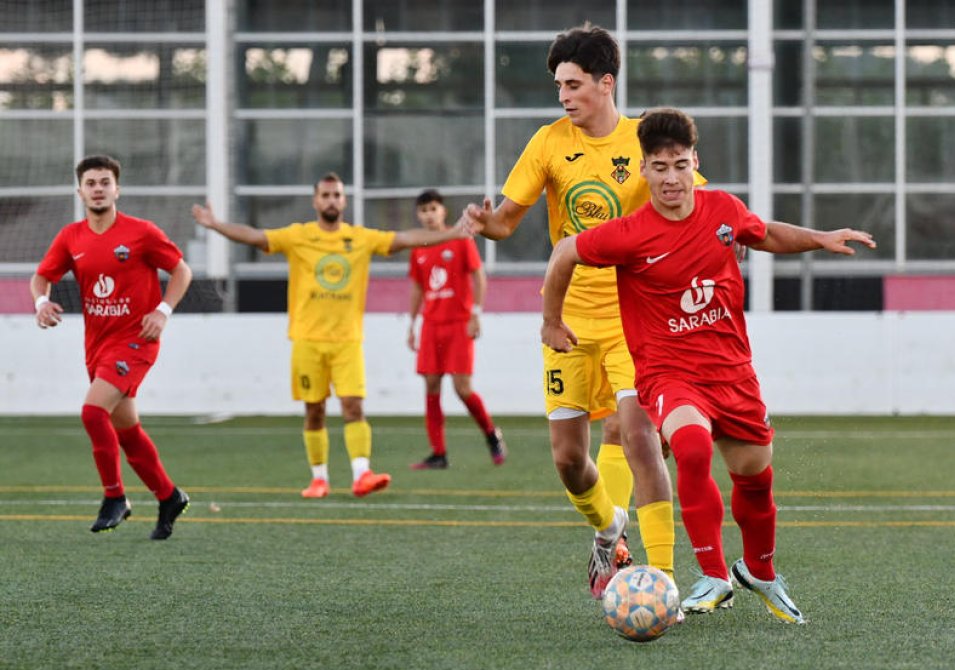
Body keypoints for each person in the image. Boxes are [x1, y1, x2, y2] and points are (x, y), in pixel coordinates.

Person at [540, 108, 875, 624]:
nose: (671, 177)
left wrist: (819, 237)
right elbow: (565, 251)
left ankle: (760, 571)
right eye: (658, 167)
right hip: (667, 371)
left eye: (679, 164)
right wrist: (551, 322)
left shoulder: (722, 210)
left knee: (755, 476)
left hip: (732, 371)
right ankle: (713, 574)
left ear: (694, 163)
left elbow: (763, 234)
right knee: (692, 448)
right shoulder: (629, 234)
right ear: (645, 170)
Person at [465, 24, 680, 598]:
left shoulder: (645, 141)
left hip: (635, 319)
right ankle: (610, 528)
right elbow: (507, 222)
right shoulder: (548, 142)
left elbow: (687, 200)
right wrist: (488, 224)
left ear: (606, 83)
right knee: (566, 459)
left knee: (638, 436)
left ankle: (662, 580)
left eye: (574, 84)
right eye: (559, 84)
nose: (563, 94)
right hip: (565, 320)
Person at [192, 173, 475, 499]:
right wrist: (215, 225)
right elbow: (255, 237)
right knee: (315, 410)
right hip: (307, 341)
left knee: (354, 406)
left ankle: (361, 474)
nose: (331, 200)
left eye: (337, 195)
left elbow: (405, 239)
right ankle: (319, 478)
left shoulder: (360, 238)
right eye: (325, 195)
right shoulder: (298, 236)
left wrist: (453, 233)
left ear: (344, 201)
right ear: (316, 201)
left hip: (347, 341)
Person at [31, 154, 193, 539]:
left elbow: (182, 270)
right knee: (127, 431)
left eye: (105, 182)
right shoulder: (71, 237)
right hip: (98, 345)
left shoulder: (141, 232)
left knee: (91, 412)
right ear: (80, 191)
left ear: (117, 189)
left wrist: (163, 310)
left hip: (137, 340)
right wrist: (41, 302)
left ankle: (115, 497)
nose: (98, 189)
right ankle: (169, 496)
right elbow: (41, 277)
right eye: (91, 183)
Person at [406, 189, 507, 469]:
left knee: (462, 388)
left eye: (433, 209)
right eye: (424, 210)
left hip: (458, 323)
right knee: (431, 385)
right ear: (419, 214)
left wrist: (476, 314)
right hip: (431, 325)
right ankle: (438, 453)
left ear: (443, 212)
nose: (429, 215)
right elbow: (417, 287)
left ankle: (491, 434)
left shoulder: (460, 239)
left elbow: (478, 276)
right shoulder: (418, 247)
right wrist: (412, 324)